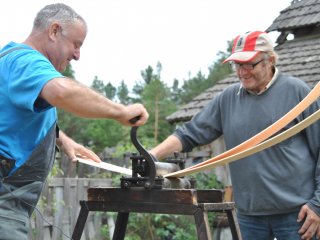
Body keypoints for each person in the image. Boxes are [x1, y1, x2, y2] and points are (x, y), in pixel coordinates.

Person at [150, 31, 320, 240]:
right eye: (237, 65)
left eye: (249, 64)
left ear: (270, 60)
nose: (242, 72)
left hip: (297, 215)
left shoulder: (298, 93)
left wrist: (318, 204)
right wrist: (152, 155)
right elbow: (190, 133)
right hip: (250, 216)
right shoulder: (228, 99)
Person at [0, 3, 149, 239]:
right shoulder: (26, 62)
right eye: (76, 44)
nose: (77, 55)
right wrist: (120, 111)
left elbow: (13, 118)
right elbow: (62, 92)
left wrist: (62, 140)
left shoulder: (8, 59)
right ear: (54, 30)